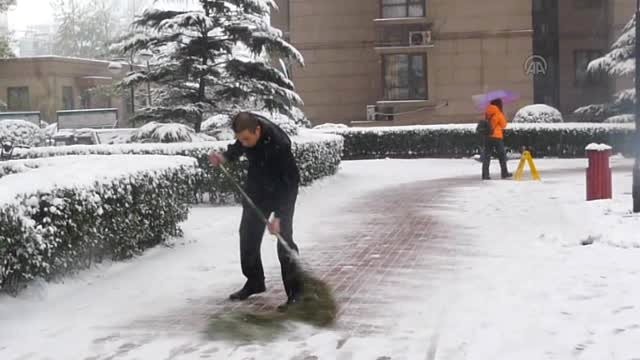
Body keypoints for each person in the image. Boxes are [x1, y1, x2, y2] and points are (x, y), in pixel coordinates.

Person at [208, 112, 303, 310]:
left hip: (283, 188)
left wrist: (279, 216)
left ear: (257, 130)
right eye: (240, 139)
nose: (244, 143)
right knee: (248, 234)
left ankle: (296, 293)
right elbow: (238, 147)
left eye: (247, 139)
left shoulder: (280, 145)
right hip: (258, 188)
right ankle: (255, 281)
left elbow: (288, 182)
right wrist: (224, 157)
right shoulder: (247, 131)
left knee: (284, 240)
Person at [482, 98, 512, 180]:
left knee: (487, 156)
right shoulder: (498, 112)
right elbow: (504, 125)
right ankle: (504, 173)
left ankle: (485, 175)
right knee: (502, 155)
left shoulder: (487, 112)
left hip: (487, 136)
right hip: (497, 137)